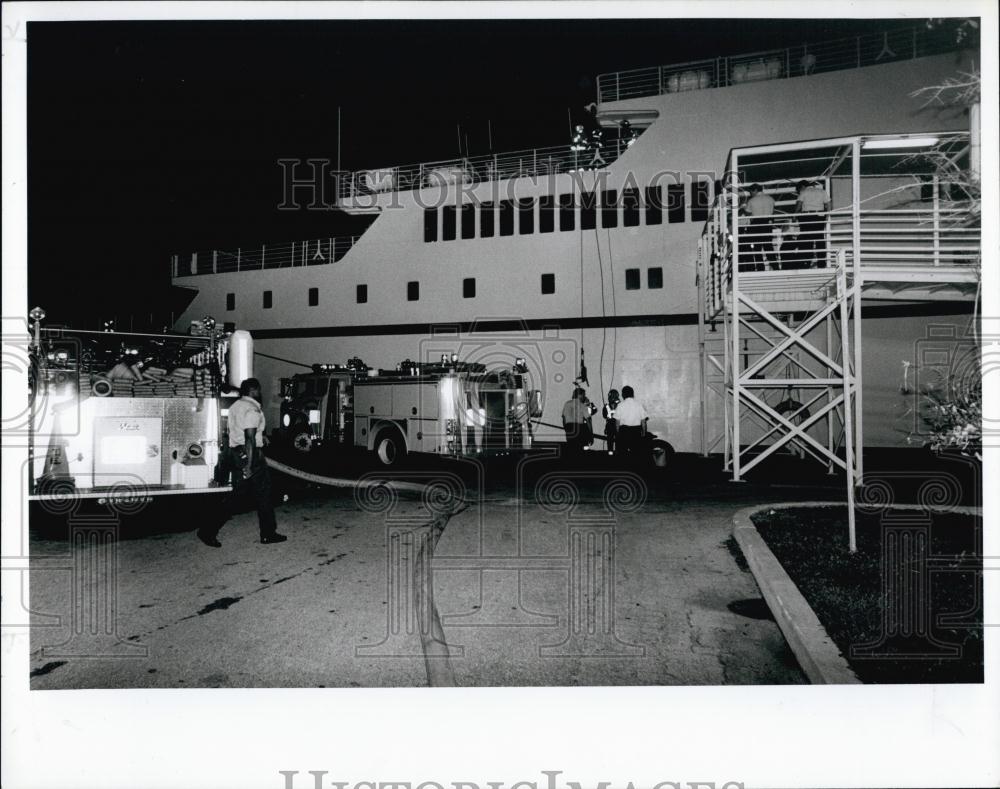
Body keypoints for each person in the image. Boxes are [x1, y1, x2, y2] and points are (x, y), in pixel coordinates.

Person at [197, 377, 287, 547]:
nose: (260, 393)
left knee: (249, 494)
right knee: (258, 493)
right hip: (249, 455)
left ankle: (209, 530)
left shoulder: (236, 406)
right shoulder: (252, 409)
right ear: (253, 391)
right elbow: (250, 438)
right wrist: (250, 464)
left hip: (235, 453)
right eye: (258, 390)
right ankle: (209, 531)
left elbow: (241, 431)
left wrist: (262, 438)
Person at [795, 180, 831, 266]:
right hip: (819, 216)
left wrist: (794, 215)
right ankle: (822, 263)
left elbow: (799, 205)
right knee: (819, 239)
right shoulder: (822, 191)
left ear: (802, 187)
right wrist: (826, 216)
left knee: (807, 240)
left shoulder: (804, 192)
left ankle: (807, 262)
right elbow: (828, 204)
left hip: (807, 217)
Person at [743, 183, 776, 270]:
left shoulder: (752, 201)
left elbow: (747, 213)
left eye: (751, 192)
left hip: (756, 224)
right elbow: (772, 212)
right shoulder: (771, 199)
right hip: (767, 224)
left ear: (755, 190)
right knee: (768, 247)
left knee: (757, 248)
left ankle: (760, 268)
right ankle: (775, 266)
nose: (751, 194)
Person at [614, 385, 647, 463]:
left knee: (622, 453)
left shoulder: (620, 405)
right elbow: (643, 421)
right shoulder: (639, 405)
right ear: (633, 394)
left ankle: (624, 469)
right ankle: (635, 469)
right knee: (636, 453)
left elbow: (617, 422)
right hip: (636, 431)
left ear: (623, 395)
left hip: (624, 431)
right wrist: (644, 432)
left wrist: (617, 433)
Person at [561, 387, 593, 456]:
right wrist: (590, 434)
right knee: (580, 449)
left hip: (569, 427)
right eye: (583, 395)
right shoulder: (582, 405)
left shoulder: (567, 403)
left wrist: (566, 428)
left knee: (571, 448)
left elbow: (564, 418)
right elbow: (588, 420)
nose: (584, 396)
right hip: (579, 428)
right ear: (580, 395)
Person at [602, 389, 621, 455]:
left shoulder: (619, 405)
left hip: (615, 425)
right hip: (613, 425)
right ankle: (613, 454)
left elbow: (604, 416)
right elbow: (604, 415)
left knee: (614, 441)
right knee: (612, 441)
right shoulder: (619, 405)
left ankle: (614, 454)